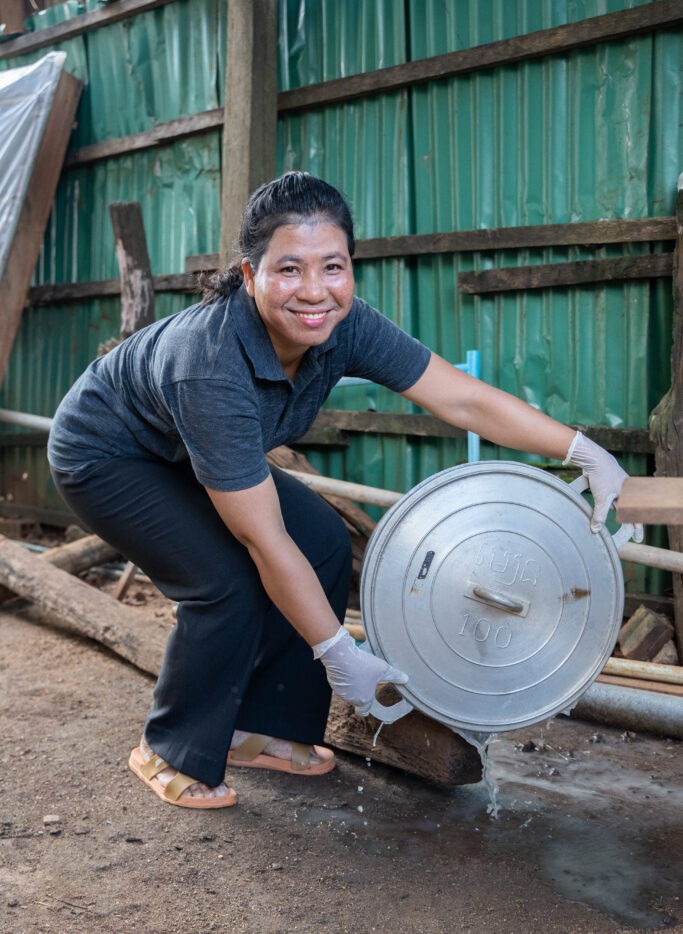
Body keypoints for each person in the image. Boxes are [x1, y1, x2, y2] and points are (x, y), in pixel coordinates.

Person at [47, 171, 641, 809]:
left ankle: (265, 729)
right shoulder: (209, 361)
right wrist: (337, 652)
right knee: (226, 581)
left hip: (189, 449)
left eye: (332, 267)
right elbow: (263, 539)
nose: (313, 291)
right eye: (288, 270)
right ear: (249, 277)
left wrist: (583, 451)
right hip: (107, 457)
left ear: (351, 268)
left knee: (326, 540)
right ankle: (170, 749)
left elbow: (461, 398)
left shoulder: (346, 324)